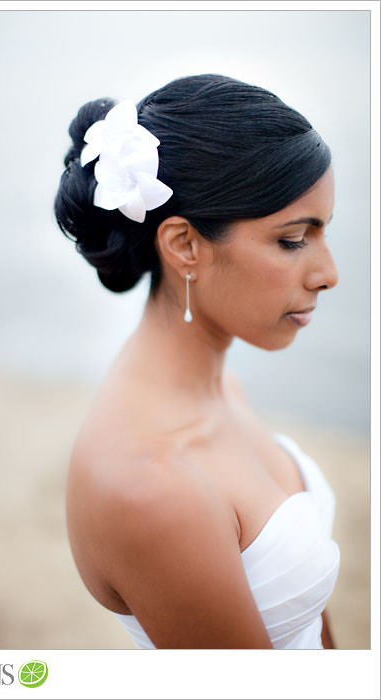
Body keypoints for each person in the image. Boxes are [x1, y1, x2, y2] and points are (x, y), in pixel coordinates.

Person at [55, 75, 339, 649]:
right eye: (292, 241)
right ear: (184, 245)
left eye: (322, 233)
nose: (328, 274)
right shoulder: (152, 486)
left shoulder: (222, 388)